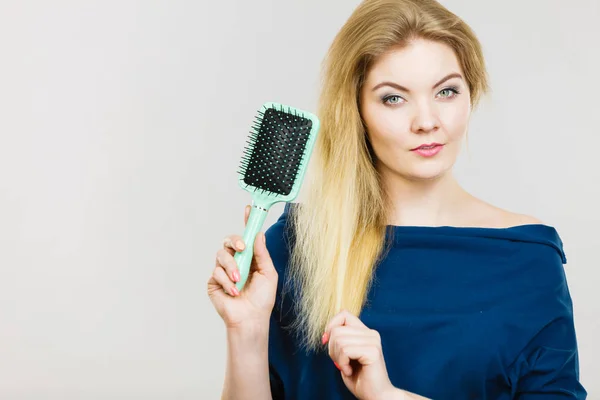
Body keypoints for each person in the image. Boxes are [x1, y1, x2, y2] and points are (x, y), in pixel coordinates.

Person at [207, 0, 587, 398]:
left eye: (446, 91)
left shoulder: (528, 260)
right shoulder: (296, 245)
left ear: (470, 96)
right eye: (394, 98)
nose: (426, 121)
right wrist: (246, 331)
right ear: (356, 111)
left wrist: (388, 396)